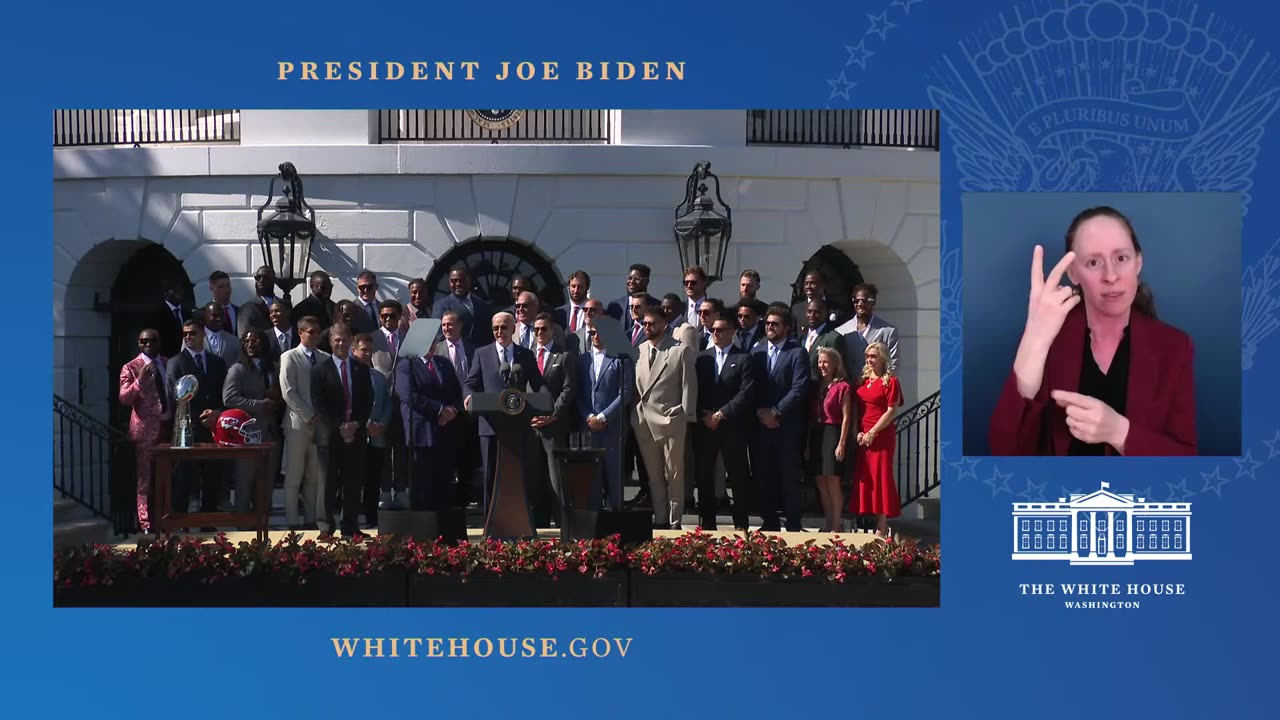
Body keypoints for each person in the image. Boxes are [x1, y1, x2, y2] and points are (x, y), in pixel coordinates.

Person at [988, 206, 1197, 456]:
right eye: (1094, 262)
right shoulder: (1050, 337)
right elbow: (1004, 451)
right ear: (1073, 273)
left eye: (1121, 258)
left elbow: (1186, 459)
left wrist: (1119, 433)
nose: (1111, 276)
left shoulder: (1174, 347)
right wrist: (1035, 337)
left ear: (1138, 262)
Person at [633, 305, 697, 529]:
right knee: (654, 475)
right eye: (645, 323)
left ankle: (674, 521)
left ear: (664, 325)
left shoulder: (680, 350)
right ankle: (660, 518)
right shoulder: (639, 350)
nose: (647, 327)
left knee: (674, 473)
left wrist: (684, 413)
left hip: (671, 419)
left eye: (652, 323)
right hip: (644, 422)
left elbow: (689, 385)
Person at [750, 304, 810, 532]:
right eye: (767, 323)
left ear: (786, 327)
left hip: (787, 426)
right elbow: (750, 387)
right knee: (764, 475)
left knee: (789, 477)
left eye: (775, 324)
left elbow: (799, 387)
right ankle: (770, 521)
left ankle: (793, 523)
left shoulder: (797, 352)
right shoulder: (758, 351)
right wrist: (761, 412)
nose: (769, 327)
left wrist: (775, 412)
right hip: (761, 426)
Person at [694, 312, 756, 531]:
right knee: (704, 475)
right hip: (706, 425)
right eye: (713, 330)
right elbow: (695, 390)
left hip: (732, 426)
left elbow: (746, 392)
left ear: (732, 332)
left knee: (738, 475)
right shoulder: (703, 358)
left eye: (720, 330)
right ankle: (708, 524)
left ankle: (740, 523)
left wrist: (721, 414)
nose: (715, 334)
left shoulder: (743, 358)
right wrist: (704, 414)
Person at [118, 329, 171, 533]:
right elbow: (124, 399)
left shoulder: (167, 363)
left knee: (165, 476)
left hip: (167, 427)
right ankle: (146, 523)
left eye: (152, 340)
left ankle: (165, 517)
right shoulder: (130, 367)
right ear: (139, 344)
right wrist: (139, 381)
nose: (148, 344)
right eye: (143, 341)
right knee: (145, 479)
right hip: (144, 431)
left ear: (159, 342)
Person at [850, 341, 902, 537]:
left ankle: (881, 526)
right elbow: (857, 409)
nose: (870, 360)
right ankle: (866, 523)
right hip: (864, 435)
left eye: (873, 356)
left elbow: (891, 411)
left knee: (881, 478)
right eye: (867, 356)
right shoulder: (862, 380)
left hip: (881, 436)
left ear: (883, 358)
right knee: (866, 478)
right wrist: (858, 432)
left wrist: (873, 432)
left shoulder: (891, 382)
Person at [808, 347, 853, 533]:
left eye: (825, 361)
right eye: (819, 362)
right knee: (820, 480)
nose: (822, 365)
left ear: (835, 363)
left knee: (832, 479)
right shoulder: (816, 386)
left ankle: (836, 524)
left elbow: (846, 417)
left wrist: (842, 442)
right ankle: (828, 522)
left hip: (833, 431)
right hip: (817, 432)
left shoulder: (842, 387)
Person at [836, 283, 899, 375]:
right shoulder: (841, 331)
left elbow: (892, 363)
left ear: (873, 302)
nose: (860, 304)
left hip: (876, 386)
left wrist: (882, 384)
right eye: (856, 301)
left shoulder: (888, 331)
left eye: (864, 301)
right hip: (850, 386)